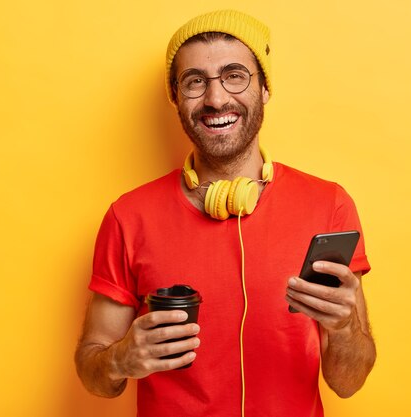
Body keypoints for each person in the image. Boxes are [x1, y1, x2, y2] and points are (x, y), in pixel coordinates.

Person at [75, 9, 376, 417]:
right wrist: (120, 359)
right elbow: (94, 375)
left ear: (265, 88)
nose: (216, 99)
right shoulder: (128, 217)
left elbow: (348, 382)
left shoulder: (329, 205)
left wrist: (343, 329)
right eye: (195, 81)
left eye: (235, 76)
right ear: (175, 97)